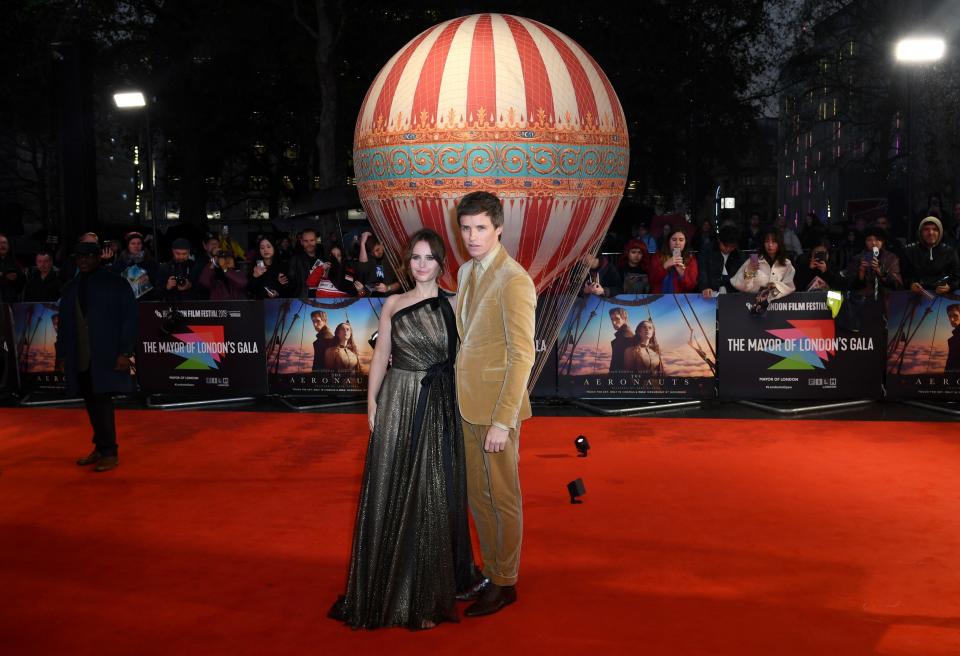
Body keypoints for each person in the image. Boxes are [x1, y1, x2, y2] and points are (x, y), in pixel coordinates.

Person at [330, 228, 474, 630]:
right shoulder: (392, 302)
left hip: (440, 401)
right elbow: (381, 357)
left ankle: (427, 584)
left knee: (434, 487)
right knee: (392, 482)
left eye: (429, 258)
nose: (422, 264)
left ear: (442, 264)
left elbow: (469, 354)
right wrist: (372, 401)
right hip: (398, 398)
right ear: (406, 262)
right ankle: (391, 576)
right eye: (415, 257)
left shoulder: (453, 303)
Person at [453, 191, 536, 617]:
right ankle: (492, 570)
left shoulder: (514, 279)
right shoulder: (467, 271)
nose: (472, 236)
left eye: (481, 228)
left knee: (503, 496)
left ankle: (506, 582)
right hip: (467, 404)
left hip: (498, 409)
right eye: (466, 228)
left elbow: (523, 354)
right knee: (477, 496)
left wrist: (504, 421)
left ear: (499, 228)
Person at [55, 241, 137, 473]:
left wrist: (125, 352)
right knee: (92, 402)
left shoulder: (116, 284)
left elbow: (129, 319)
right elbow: (64, 326)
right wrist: (62, 355)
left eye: (88, 256)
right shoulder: (71, 287)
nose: (83, 260)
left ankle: (110, 452)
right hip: (80, 355)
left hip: (107, 353)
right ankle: (101, 448)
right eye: (79, 257)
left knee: (101, 402)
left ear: (98, 257)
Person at [730, 228, 796, 310]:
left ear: (779, 243)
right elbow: (742, 286)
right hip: (751, 305)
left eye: (774, 241)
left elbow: (789, 286)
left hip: (778, 308)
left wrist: (774, 287)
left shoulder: (786, 263)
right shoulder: (754, 259)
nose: (770, 245)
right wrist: (749, 271)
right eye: (767, 241)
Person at [902, 217, 959, 296]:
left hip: (942, 296)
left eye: (935, 229)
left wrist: (949, 287)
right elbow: (903, 276)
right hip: (916, 295)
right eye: (926, 229)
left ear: (940, 232)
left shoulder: (949, 252)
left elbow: (957, 277)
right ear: (920, 232)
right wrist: (910, 285)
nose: (931, 233)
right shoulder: (909, 251)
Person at [846, 226, 903, 301]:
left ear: (882, 242)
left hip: (886, 300)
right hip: (863, 302)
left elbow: (897, 284)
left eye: (877, 240)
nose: (874, 243)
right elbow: (849, 285)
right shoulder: (857, 259)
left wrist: (881, 272)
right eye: (869, 240)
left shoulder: (891, 258)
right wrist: (861, 275)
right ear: (865, 242)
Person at [698, 224, 744, 298]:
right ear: (719, 240)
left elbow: (742, 276)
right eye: (725, 245)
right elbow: (702, 271)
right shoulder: (707, 251)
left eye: (732, 247)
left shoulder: (739, 255)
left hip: (733, 296)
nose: (728, 249)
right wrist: (704, 286)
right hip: (710, 294)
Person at [110, 231, 159, 300]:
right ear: (128, 245)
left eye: (139, 243)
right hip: (126, 300)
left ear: (142, 245)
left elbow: (158, 280)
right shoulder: (120, 262)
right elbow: (113, 282)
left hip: (147, 301)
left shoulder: (150, 262)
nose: (136, 246)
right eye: (133, 243)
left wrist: (149, 278)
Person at [647, 229, 698, 293]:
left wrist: (682, 274)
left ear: (685, 242)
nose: (677, 243)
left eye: (681, 240)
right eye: (674, 240)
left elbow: (690, 287)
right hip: (658, 299)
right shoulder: (657, 257)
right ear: (668, 241)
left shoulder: (690, 260)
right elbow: (652, 280)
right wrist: (665, 266)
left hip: (679, 301)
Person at [287, 228, 324, 298]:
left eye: (312, 240)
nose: (309, 244)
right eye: (306, 241)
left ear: (316, 240)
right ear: (301, 242)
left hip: (321, 298)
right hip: (303, 299)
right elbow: (290, 284)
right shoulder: (295, 260)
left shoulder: (323, 258)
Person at [608, 307, 634, 372]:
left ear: (625, 319)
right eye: (612, 319)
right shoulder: (623, 337)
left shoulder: (626, 338)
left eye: (617, 319)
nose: (613, 322)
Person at [946, 304, 960, 372]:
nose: (952, 319)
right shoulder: (951, 340)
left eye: (955, 315)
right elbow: (950, 364)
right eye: (950, 316)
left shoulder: (953, 340)